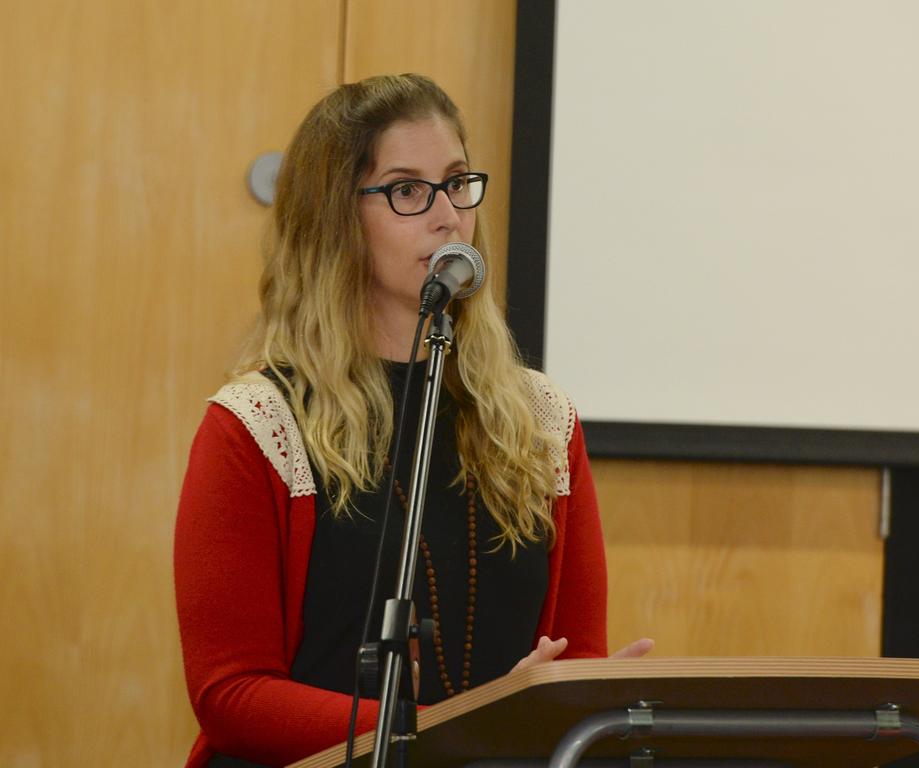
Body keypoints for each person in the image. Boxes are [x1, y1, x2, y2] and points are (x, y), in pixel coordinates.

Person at [174, 73, 652, 768]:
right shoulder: (258, 424)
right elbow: (232, 694)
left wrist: (579, 697)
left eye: (457, 183)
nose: (448, 216)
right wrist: (463, 728)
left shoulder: (541, 419)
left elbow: (575, 657)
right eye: (406, 190)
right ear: (336, 218)